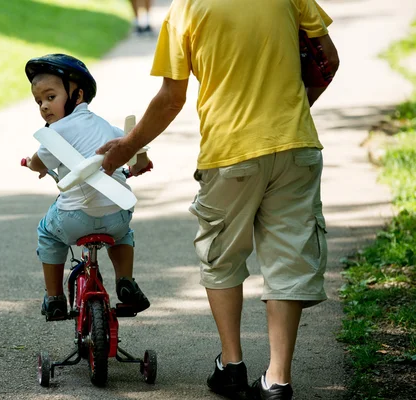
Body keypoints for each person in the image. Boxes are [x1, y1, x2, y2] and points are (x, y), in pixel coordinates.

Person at [96, 0, 339, 399]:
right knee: (289, 260)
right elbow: (327, 60)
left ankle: (232, 366)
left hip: (230, 153)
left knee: (222, 257)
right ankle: (278, 379)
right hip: (295, 146)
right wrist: (295, 109)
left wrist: (127, 146)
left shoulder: (186, 9)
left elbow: (171, 99)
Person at [22, 54, 152, 321]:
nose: (44, 107)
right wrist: (140, 165)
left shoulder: (54, 133)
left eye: (50, 97)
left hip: (74, 218)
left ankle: (55, 298)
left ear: (77, 95)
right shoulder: (108, 127)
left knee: (47, 233)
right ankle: (125, 280)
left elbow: (37, 163)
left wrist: (35, 166)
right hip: (116, 214)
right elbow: (137, 151)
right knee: (124, 234)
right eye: (39, 101)